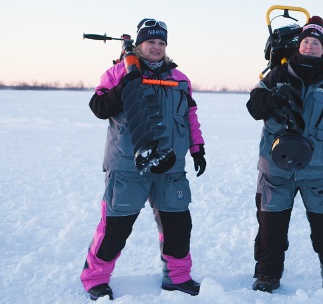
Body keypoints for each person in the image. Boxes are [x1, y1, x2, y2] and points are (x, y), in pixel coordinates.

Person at [80, 18, 206, 301]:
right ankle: (95, 278)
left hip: (171, 165)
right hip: (127, 166)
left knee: (178, 224)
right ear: (139, 44)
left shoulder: (179, 79)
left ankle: (177, 277)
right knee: (116, 226)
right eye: (151, 41)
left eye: (162, 42)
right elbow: (99, 107)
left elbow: (190, 116)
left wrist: (197, 148)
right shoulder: (117, 72)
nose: (157, 47)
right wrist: (125, 84)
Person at [246, 16, 323, 294]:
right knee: (271, 227)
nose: (310, 47)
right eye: (306, 42)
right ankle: (267, 274)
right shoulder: (277, 76)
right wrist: (272, 99)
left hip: (318, 168)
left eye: (315, 43)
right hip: (276, 167)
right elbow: (254, 106)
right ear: (299, 46)